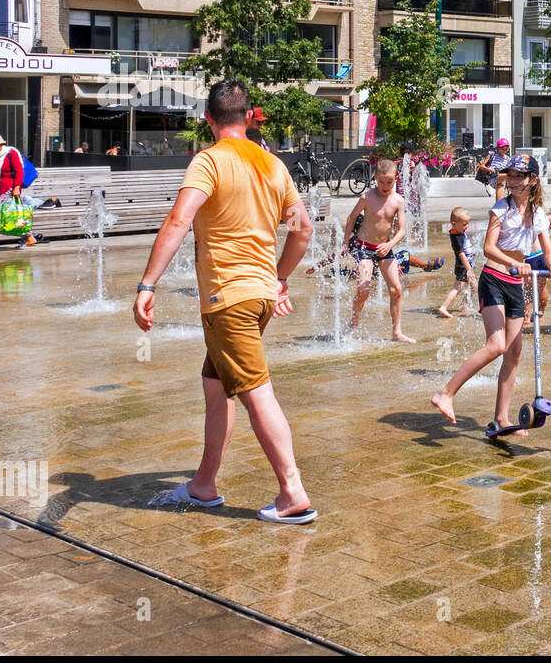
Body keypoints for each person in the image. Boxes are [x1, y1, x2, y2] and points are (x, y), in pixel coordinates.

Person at [132, 79, 316, 524]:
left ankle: (292, 492)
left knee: (255, 393)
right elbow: (303, 229)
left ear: (209, 119)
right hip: (258, 297)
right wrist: (280, 279)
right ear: (250, 116)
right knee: (217, 387)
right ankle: (204, 483)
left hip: (226, 300)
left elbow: (180, 219)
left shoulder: (208, 162)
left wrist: (147, 284)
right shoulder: (273, 166)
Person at [431, 155, 551, 432]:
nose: (512, 180)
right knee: (497, 345)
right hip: (493, 279)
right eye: (510, 175)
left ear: (532, 180)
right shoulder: (501, 209)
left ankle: (501, 418)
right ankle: (446, 393)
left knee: (514, 352)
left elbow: (547, 249)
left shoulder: (537, 214)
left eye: (518, 176)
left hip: (516, 284)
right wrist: (517, 264)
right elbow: (488, 248)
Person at [343, 158, 415, 343]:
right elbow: (351, 219)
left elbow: (402, 231)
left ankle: (396, 332)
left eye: (389, 182)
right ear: (375, 178)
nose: (384, 185)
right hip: (364, 247)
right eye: (381, 181)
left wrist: (390, 245)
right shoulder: (367, 198)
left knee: (396, 289)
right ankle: (353, 323)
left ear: (396, 179)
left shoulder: (398, 201)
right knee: (364, 287)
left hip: (384, 248)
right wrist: (345, 244)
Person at [0, 133, 54, 251]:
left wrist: (16, 187)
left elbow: (19, 171)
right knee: (13, 215)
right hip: (3, 190)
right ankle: (30, 237)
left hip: (10, 190)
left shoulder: (11, 153)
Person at [438, 207, 475, 318]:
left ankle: (464, 305)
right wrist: (468, 269)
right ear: (453, 224)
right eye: (464, 224)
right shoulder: (456, 237)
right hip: (463, 267)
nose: (466, 227)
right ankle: (444, 307)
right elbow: (461, 253)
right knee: (457, 288)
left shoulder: (458, 232)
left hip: (466, 266)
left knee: (474, 286)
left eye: (467, 224)